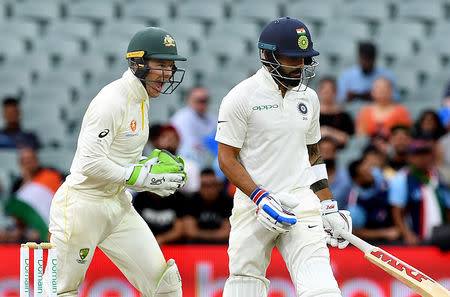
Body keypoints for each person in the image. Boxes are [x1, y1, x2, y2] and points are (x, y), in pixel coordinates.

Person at [44, 27, 188, 297]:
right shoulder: (112, 100)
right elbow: (88, 163)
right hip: (81, 207)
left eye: (170, 67)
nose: (167, 75)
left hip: (117, 205)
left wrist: (147, 170)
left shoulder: (141, 98)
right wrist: (138, 177)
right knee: (61, 292)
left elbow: (122, 160)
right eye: (160, 65)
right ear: (137, 63)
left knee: (165, 286)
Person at [216, 17, 352, 297]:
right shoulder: (240, 97)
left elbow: (313, 155)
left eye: (304, 59)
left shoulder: (309, 98)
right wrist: (260, 197)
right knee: (245, 285)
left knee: (321, 287)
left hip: (301, 200)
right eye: (293, 59)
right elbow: (226, 159)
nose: (300, 66)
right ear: (267, 55)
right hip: (254, 203)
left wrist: (328, 205)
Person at [388, 139, 450, 245]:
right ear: (410, 157)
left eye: (427, 154)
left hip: (441, 239)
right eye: (418, 154)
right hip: (418, 241)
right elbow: (396, 212)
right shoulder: (402, 178)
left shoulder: (437, 175)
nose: (424, 158)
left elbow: (447, 205)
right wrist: (407, 234)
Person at [4, 147, 63, 242]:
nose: (28, 164)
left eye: (30, 160)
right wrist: (27, 180)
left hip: (48, 224)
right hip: (25, 226)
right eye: (25, 162)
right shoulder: (18, 183)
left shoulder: (50, 175)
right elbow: (17, 212)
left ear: (37, 160)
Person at [346, 156, 400, 244]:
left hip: (394, 230)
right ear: (356, 179)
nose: (370, 173)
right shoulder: (354, 205)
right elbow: (356, 232)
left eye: (369, 169)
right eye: (364, 172)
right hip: (372, 244)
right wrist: (385, 233)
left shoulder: (377, 176)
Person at [171, 86, 217, 168]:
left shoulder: (212, 119)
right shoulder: (182, 117)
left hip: (206, 160)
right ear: (189, 100)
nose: (203, 104)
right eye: (200, 100)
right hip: (185, 160)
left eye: (205, 100)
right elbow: (190, 146)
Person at [183, 168, 232, 244]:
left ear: (218, 186)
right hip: (195, 247)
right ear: (199, 186)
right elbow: (190, 231)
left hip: (221, 246)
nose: (209, 190)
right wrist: (215, 234)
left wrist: (200, 234)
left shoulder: (227, 201)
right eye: (205, 185)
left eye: (212, 185)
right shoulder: (191, 200)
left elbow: (227, 233)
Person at [318, 77, 354, 148]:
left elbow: (346, 138)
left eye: (329, 91)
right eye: (324, 91)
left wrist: (328, 131)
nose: (326, 94)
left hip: (338, 151)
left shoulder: (344, 116)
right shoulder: (311, 115)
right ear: (319, 92)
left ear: (335, 93)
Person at [318, 137, 352, 209]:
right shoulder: (311, 175)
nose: (326, 154)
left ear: (336, 153)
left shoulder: (344, 175)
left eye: (329, 150)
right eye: (323, 151)